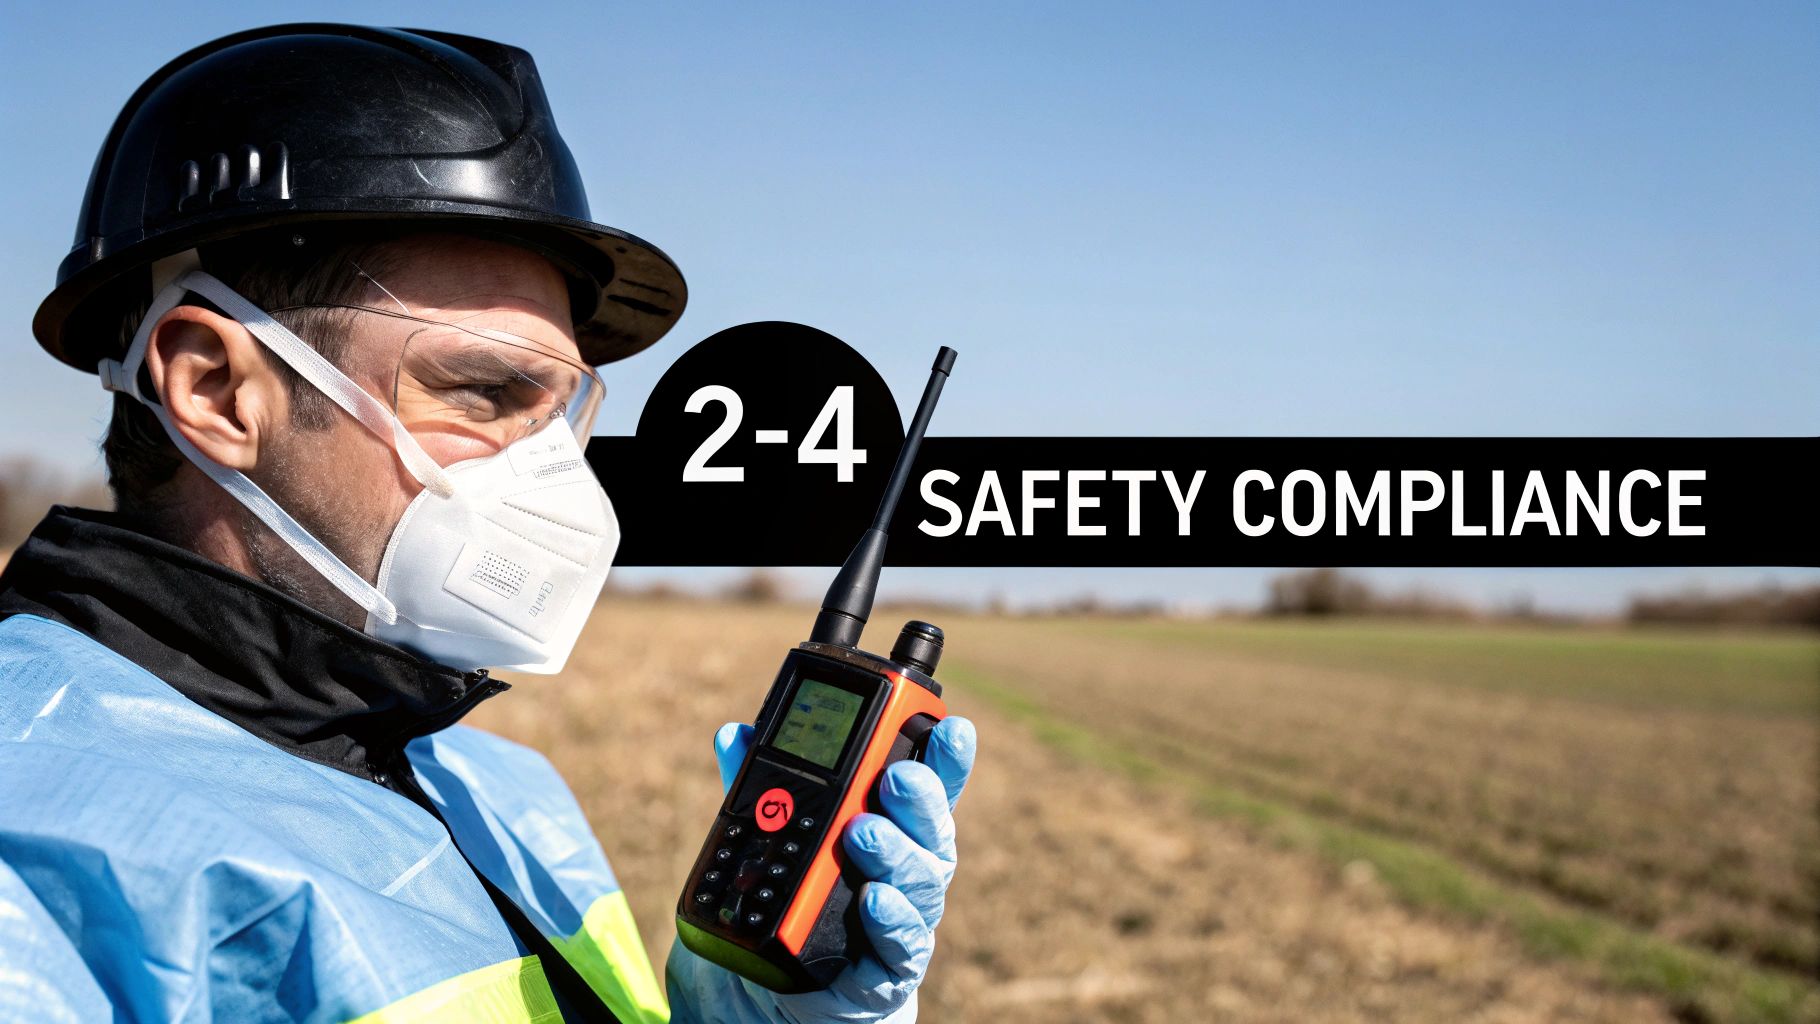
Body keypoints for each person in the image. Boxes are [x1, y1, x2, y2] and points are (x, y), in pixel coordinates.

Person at [0, 23, 975, 1024]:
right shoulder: (29, 843)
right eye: (477, 391)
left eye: (559, 411)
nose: (549, 474)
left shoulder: (499, 788)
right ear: (214, 390)